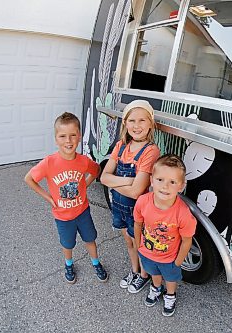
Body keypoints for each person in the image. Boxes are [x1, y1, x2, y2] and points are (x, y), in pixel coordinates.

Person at [24, 112, 108, 284]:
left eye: (72, 135)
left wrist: (85, 184)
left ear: (79, 136)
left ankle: (96, 262)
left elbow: (96, 171)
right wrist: (48, 197)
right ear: (56, 139)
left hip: (83, 212)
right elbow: (29, 179)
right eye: (62, 136)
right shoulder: (49, 163)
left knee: (90, 239)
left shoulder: (83, 161)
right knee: (67, 244)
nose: (68, 141)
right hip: (62, 216)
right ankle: (68, 264)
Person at [100, 100, 160, 293]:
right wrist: (128, 181)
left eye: (142, 120)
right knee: (128, 241)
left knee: (140, 243)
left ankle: (144, 275)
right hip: (118, 206)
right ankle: (134, 271)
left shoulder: (150, 151)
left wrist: (115, 181)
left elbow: (136, 192)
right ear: (125, 123)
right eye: (132, 120)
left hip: (137, 210)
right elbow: (103, 177)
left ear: (151, 123)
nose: (137, 125)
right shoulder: (121, 146)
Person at [133, 154, 197, 317]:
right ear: (152, 180)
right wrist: (139, 245)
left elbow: (186, 240)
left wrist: (178, 261)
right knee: (154, 273)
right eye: (160, 179)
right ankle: (156, 288)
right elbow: (138, 224)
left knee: (170, 279)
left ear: (181, 186)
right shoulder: (142, 202)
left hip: (169, 258)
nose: (165, 186)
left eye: (172, 182)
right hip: (147, 252)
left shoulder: (183, 214)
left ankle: (170, 295)